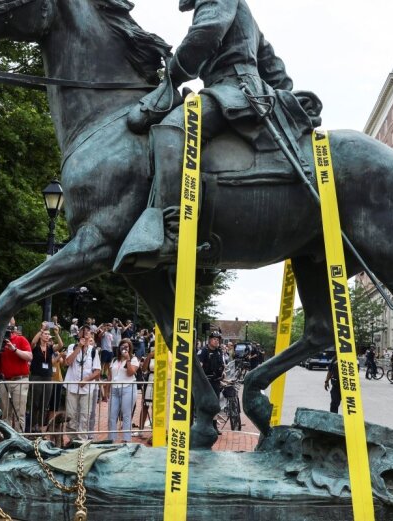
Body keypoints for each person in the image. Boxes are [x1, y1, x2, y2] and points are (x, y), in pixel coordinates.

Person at [117, 0, 311, 273]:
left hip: (233, 89)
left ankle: (173, 232)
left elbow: (205, 34)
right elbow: (272, 63)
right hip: (247, 91)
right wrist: (284, 95)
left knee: (172, 130)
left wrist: (172, 76)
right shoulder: (244, 11)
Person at [64, 330, 102, 442]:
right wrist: (79, 347)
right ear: (79, 335)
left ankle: (82, 440)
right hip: (72, 387)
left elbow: (98, 371)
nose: (85, 334)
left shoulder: (93, 350)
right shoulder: (72, 347)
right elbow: (67, 362)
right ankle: (72, 440)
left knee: (84, 415)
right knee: (71, 415)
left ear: (90, 336)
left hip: (87, 388)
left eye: (88, 333)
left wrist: (87, 379)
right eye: (83, 332)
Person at [0, 321, 32, 431]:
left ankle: (19, 438)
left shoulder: (20, 339)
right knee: (5, 413)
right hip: (4, 380)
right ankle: (6, 438)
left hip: (20, 380)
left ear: (11, 330)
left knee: (19, 413)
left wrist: (15, 350)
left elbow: (29, 357)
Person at [30, 323, 63, 432]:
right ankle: (32, 426)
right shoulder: (36, 347)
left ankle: (40, 427)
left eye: (48, 334)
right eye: (45, 334)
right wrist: (41, 330)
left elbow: (60, 345)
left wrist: (57, 334)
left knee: (44, 404)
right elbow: (33, 342)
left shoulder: (49, 348)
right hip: (36, 376)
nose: (47, 335)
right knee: (35, 403)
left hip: (48, 377)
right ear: (41, 335)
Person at [108, 339, 140, 443]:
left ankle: (126, 440)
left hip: (128, 388)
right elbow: (110, 376)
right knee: (112, 415)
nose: (124, 348)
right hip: (114, 390)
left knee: (126, 415)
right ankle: (111, 439)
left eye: (127, 347)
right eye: (122, 346)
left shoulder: (134, 359)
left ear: (130, 348)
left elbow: (130, 373)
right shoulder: (114, 360)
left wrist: (128, 360)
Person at [198, 331, 226, 401]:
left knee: (215, 404)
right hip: (206, 383)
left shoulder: (219, 351)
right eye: (214, 339)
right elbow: (199, 367)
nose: (216, 341)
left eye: (217, 340)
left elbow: (222, 365)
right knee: (206, 404)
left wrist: (223, 373)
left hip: (216, 382)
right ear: (210, 340)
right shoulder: (203, 351)